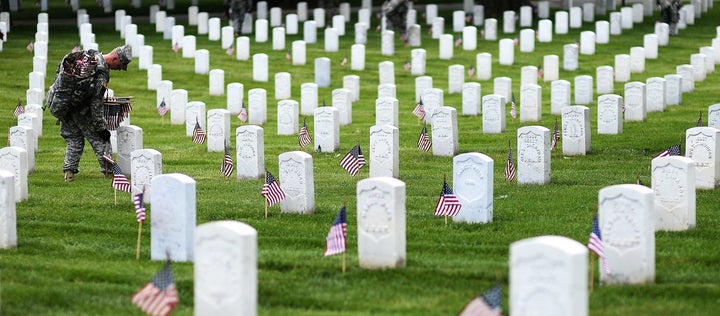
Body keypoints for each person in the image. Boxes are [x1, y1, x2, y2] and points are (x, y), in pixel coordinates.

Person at [45, 45, 132, 182]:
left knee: (74, 139)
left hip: (62, 105)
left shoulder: (90, 56)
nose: (119, 69)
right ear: (115, 58)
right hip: (80, 110)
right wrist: (100, 127)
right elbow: (96, 103)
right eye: (120, 65)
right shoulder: (101, 72)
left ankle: (69, 173)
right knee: (101, 140)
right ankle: (109, 172)